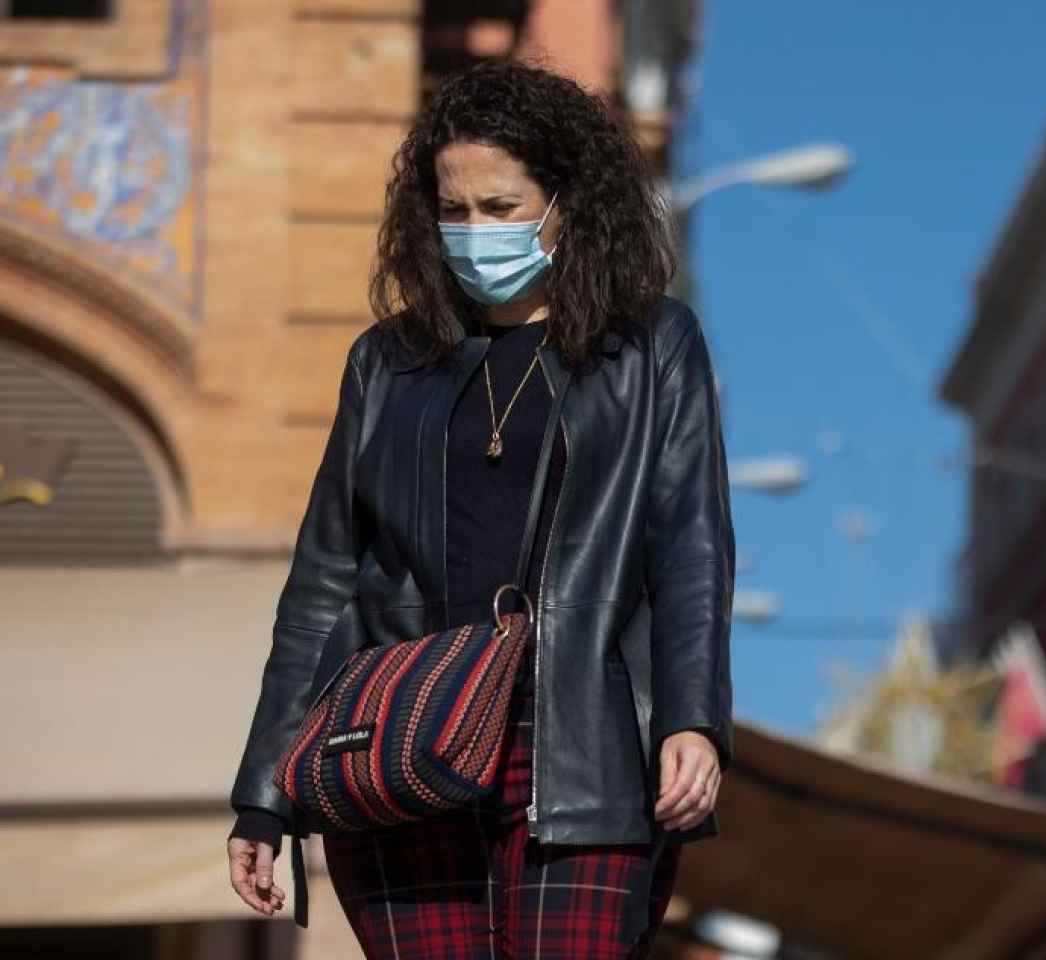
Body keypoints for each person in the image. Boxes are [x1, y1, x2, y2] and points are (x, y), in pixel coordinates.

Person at [224, 59, 733, 959]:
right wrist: (263, 791)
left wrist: (692, 720)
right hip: (397, 745)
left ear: (565, 207)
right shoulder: (387, 363)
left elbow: (688, 549)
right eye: (453, 210)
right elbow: (323, 580)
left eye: (500, 209)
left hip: (581, 747)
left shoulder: (651, 347)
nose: (473, 232)